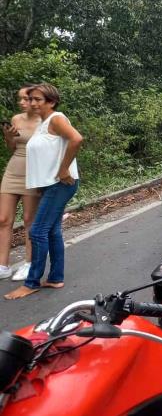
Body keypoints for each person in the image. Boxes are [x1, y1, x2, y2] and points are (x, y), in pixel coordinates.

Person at [4, 83, 83, 300]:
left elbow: (76, 139)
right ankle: (56, 277)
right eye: (30, 99)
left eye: (38, 99)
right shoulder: (43, 123)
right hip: (50, 184)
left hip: (61, 183)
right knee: (52, 231)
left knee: (37, 231)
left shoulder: (56, 118)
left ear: (52, 101)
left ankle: (31, 282)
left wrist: (64, 168)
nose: (32, 103)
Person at [0, 85, 41, 282]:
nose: (22, 102)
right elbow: (11, 146)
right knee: (3, 219)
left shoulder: (46, 121)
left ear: (35, 100)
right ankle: (3, 265)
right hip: (13, 169)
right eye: (21, 99)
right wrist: (8, 135)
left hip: (33, 172)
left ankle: (29, 263)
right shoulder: (16, 119)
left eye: (26, 99)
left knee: (28, 220)